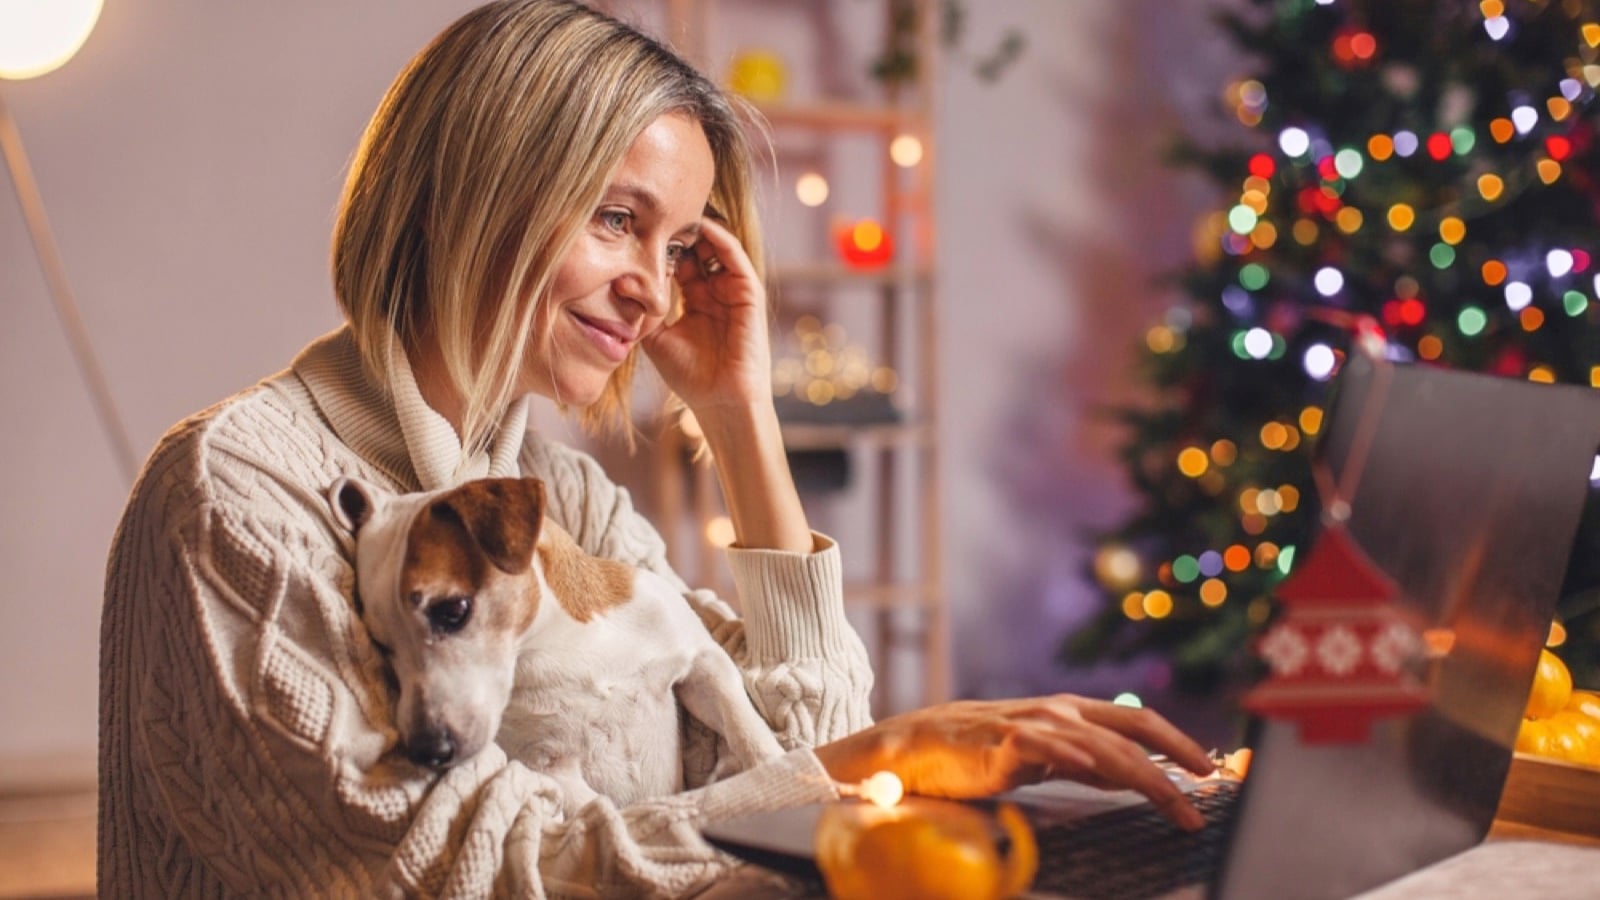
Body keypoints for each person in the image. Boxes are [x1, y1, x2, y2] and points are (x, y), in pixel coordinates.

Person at [98, 1, 1214, 896]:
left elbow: (792, 760)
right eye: (618, 219)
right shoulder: (238, 489)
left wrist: (740, 416)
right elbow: (448, 873)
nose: (652, 286)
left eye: (679, 243)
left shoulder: (563, 499)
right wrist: (872, 766)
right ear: (480, 185)